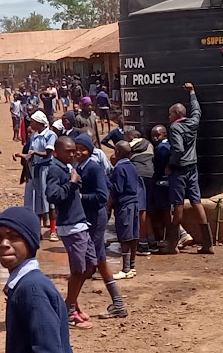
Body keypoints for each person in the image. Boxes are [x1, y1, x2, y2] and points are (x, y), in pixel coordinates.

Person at [0, 207, 72, 352]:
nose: (4, 243)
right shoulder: (23, 284)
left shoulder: (32, 289)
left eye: (14, 237)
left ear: (30, 242)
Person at [74, 134, 127, 318]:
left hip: (96, 217)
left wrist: (80, 198)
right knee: (100, 259)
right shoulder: (78, 167)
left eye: (83, 149)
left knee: (89, 262)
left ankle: (70, 305)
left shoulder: (93, 168)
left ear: (90, 151)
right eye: (76, 148)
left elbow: (102, 197)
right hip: (88, 217)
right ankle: (118, 302)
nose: (79, 152)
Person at [45, 136, 96, 329]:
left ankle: (72, 304)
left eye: (74, 150)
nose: (73, 154)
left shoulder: (67, 167)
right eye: (69, 151)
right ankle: (68, 312)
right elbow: (52, 195)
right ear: (57, 151)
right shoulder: (55, 169)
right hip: (70, 226)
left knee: (90, 265)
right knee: (78, 270)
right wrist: (72, 183)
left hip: (80, 223)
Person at [159, 83, 214, 255]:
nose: (168, 117)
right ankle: (208, 243)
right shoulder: (193, 123)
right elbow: (197, 111)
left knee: (178, 204)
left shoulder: (175, 128)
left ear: (176, 114)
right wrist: (192, 93)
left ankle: (172, 244)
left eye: (170, 114)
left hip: (180, 169)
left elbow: (179, 150)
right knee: (197, 202)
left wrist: (169, 166)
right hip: (193, 167)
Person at [150, 125, 193, 250]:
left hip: (162, 183)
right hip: (170, 182)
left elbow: (159, 168)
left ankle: (177, 236)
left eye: (157, 135)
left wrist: (157, 178)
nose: (154, 138)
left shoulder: (161, 149)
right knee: (169, 210)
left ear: (165, 135)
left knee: (166, 211)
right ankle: (181, 235)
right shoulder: (169, 147)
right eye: (153, 135)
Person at [17, 111, 58, 239]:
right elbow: (31, 154)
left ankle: (53, 230)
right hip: (34, 169)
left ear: (40, 122)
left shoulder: (50, 135)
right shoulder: (34, 136)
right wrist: (21, 156)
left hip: (46, 170)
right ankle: (37, 230)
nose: (31, 123)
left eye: (33, 121)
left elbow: (47, 153)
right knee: (36, 200)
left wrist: (34, 152)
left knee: (48, 200)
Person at [109, 141, 140, 279]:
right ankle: (132, 266)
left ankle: (126, 269)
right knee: (133, 235)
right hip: (134, 204)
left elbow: (117, 189)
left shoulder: (119, 169)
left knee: (125, 236)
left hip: (124, 206)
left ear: (117, 152)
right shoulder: (132, 167)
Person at [127, 130, 156, 256]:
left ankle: (143, 244)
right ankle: (152, 242)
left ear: (133, 137)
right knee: (147, 210)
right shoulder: (150, 144)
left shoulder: (130, 146)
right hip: (151, 176)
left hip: (138, 176)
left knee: (140, 210)